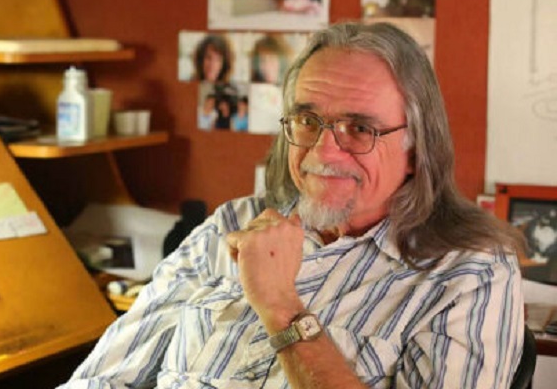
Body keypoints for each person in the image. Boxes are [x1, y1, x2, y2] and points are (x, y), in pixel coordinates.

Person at [59, 22, 525, 388]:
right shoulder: (233, 222)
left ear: (417, 149)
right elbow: (102, 378)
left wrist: (281, 307)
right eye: (307, 120)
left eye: (359, 129)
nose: (323, 152)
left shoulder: (469, 272)